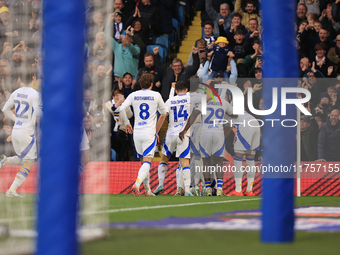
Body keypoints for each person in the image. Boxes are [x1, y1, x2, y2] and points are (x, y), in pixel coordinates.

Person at [179, 85, 233, 196]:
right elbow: (234, 114)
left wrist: (185, 130)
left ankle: (208, 188)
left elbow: (194, 114)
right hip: (218, 132)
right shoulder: (223, 101)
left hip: (205, 133)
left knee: (206, 162)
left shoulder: (203, 102)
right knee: (219, 162)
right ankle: (219, 189)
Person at [119, 73, 166, 196]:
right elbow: (163, 114)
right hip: (149, 132)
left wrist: (127, 123)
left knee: (143, 162)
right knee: (147, 162)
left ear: (140, 83)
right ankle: (137, 184)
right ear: (151, 84)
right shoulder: (156, 95)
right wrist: (156, 131)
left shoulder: (134, 95)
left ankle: (147, 190)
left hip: (137, 132)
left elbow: (121, 108)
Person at [0, 81, 42, 197]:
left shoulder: (16, 92)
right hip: (26, 132)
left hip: (16, 130)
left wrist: (17, 120)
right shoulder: (35, 94)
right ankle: (12, 189)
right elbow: (38, 112)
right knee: (28, 163)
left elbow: (5, 109)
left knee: (22, 159)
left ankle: (6, 160)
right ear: (34, 78)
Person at [153, 81, 193, 196]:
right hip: (183, 134)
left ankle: (160, 184)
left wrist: (156, 132)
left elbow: (162, 116)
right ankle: (187, 191)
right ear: (186, 90)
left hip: (170, 134)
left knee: (164, 159)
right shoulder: (190, 99)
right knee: (185, 163)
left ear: (175, 91)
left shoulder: (170, 101)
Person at [227, 110, 261, 196]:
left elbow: (226, 130)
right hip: (255, 123)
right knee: (250, 159)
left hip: (245, 125)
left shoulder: (223, 111)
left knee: (238, 158)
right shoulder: (231, 106)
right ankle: (249, 190)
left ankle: (238, 191)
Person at [104, 13, 140, 79]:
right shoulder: (117, 46)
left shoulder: (136, 48)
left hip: (132, 79)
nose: (126, 38)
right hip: (119, 78)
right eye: (124, 35)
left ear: (132, 39)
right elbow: (106, 35)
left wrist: (129, 44)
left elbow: (134, 52)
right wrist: (109, 20)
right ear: (121, 37)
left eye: (128, 36)